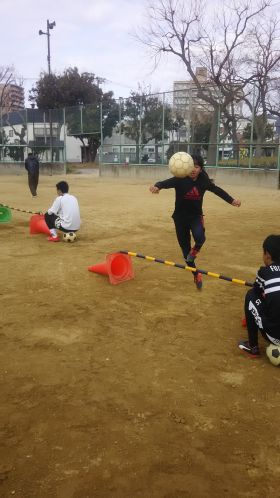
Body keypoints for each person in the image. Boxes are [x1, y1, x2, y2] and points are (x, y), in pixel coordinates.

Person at [149, 154, 241, 289]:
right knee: (186, 254)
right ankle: (196, 274)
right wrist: (157, 187)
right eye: (191, 166)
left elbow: (217, 190)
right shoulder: (180, 178)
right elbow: (164, 183)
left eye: (196, 167)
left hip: (195, 217)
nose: (193, 169)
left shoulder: (204, 180)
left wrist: (231, 200)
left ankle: (194, 252)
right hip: (180, 219)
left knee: (200, 237)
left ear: (201, 169)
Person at [238, 235, 280, 357]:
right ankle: (252, 318)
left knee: (251, 295)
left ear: (267, 255)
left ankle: (253, 346)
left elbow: (257, 290)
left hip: (274, 336)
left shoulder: (264, 272)